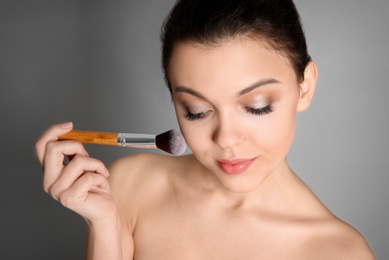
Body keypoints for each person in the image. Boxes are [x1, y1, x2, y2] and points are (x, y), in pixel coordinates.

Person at [35, 0, 375, 259]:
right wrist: (104, 224)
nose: (225, 138)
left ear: (305, 86)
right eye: (196, 111)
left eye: (257, 106)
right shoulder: (130, 186)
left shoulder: (339, 251)